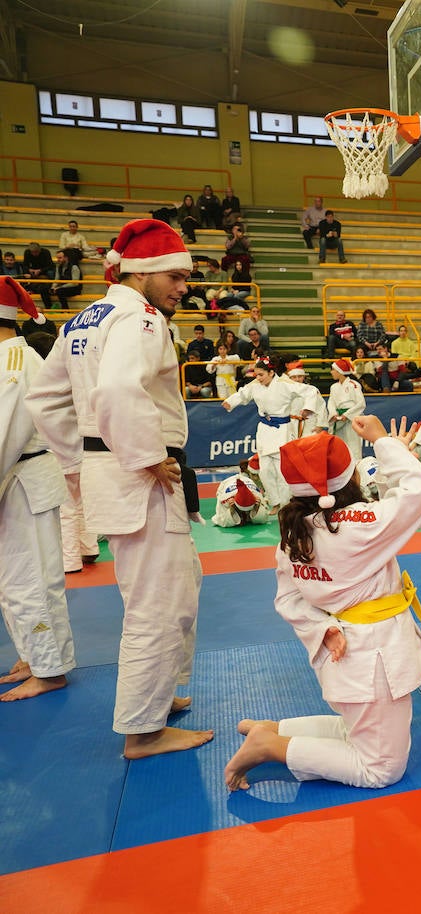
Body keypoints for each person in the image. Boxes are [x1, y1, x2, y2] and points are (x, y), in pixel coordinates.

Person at [27, 218, 212, 757]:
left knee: (169, 585)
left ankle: (156, 696)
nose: (184, 287)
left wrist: (78, 460)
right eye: (176, 276)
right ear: (144, 273)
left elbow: (46, 400)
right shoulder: (140, 318)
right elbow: (115, 389)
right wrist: (146, 455)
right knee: (159, 599)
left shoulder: (85, 317)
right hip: (142, 473)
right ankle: (143, 728)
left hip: (113, 470)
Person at [223, 418, 421, 791]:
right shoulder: (361, 526)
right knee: (381, 770)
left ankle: (276, 730)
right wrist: (384, 442)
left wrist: (321, 628)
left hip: (342, 652)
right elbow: (419, 493)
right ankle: (270, 746)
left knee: (355, 728)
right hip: (374, 656)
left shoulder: (293, 533)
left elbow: (289, 598)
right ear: (350, 477)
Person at [0, 277, 75, 701]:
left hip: (23, 480)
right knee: (13, 581)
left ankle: (49, 669)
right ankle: (31, 654)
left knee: (32, 580)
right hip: (15, 480)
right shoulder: (7, 357)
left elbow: (5, 434)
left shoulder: (14, 362)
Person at [221, 357, 316, 508]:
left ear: (271, 372)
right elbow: (243, 393)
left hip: (282, 430)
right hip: (264, 428)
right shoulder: (256, 385)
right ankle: (274, 502)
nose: (257, 378)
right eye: (256, 375)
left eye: (261, 375)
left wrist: (308, 408)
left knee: (281, 470)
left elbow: (311, 391)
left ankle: (286, 503)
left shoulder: (285, 384)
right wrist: (230, 401)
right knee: (264, 470)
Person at [326, 358, 366, 461]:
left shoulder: (354, 385)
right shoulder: (333, 387)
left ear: (340, 371)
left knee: (353, 445)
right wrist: (334, 414)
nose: (331, 372)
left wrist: (347, 415)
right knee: (339, 446)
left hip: (351, 419)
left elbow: (361, 403)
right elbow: (331, 402)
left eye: (333, 370)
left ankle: (356, 469)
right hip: (338, 419)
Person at [286, 363, 328, 436]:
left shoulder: (312, 390)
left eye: (299, 376)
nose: (297, 379)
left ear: (303, 377)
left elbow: (321, 408)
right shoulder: (286, 391)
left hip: (309, 423)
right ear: (290, 378)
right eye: (294, 377)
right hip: (291, 423)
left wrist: (320, 425)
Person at [183, 324, 215, 398]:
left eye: (200, 333)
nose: (198, 335)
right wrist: (190, 386)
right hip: (193, 368)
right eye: (196, 333)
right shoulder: (191, 344)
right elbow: (188, 357)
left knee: (204, 391)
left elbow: (212, 356)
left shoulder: (209, 343)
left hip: (206, 366)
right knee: (186, 390)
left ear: (203, 333)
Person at [21, 241, 55, 309]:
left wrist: (40, 270)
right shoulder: (27, 252)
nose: (34, 254)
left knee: (45, 287)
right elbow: (25, 265)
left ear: (40, 250)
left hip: (44, 273)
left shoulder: (45, 252)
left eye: (36, 252)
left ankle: (51, 287)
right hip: (32, 274)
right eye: (33, 252)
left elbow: (51, 266)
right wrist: (29, 270)